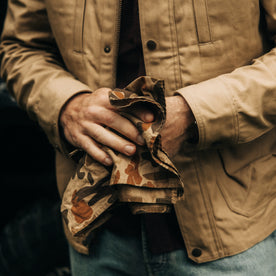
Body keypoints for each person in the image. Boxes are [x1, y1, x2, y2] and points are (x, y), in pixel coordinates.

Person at [1, 0, 276, 275]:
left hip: (231, 235)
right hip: (98, 233)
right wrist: (66, 105)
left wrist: (194, 113)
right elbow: (21, 48)